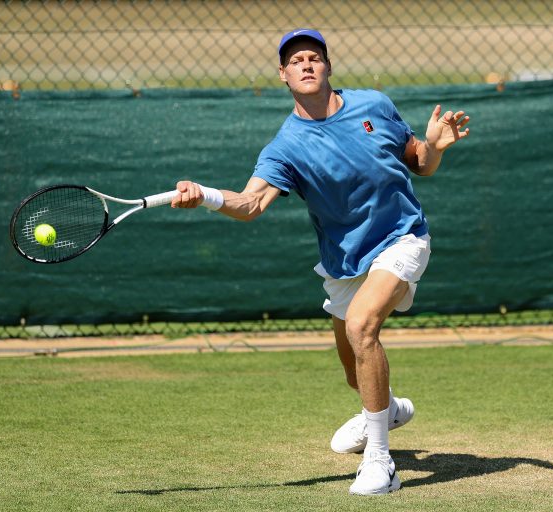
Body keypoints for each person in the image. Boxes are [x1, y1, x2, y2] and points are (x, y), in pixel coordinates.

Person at [170, 28, 470, 495]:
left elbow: (421, 164)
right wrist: (204, 195)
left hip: (403, 237)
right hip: (344, 259)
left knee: (362, 326)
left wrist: (433, 145)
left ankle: (379, 460)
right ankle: (385, 408)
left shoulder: (374, 104)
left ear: (328, 68)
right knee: (355, 371)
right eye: (295, 61)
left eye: (314, 57)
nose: (306, 65)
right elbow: (250, 204)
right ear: (283, 75)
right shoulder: (287, 145)